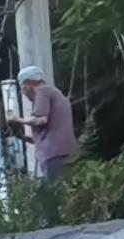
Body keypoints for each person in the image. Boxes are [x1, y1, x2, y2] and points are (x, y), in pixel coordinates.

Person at [9, 62, 77, 195]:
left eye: (22, 88)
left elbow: (41, 120)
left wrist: (18, 119)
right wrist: (19, 134)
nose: (23, 93)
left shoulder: (42, 92)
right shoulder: (54, 93)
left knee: (56, 197)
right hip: (63, 153)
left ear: (28, 85)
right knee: (65, 194)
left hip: (55, 155)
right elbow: (40, 137)